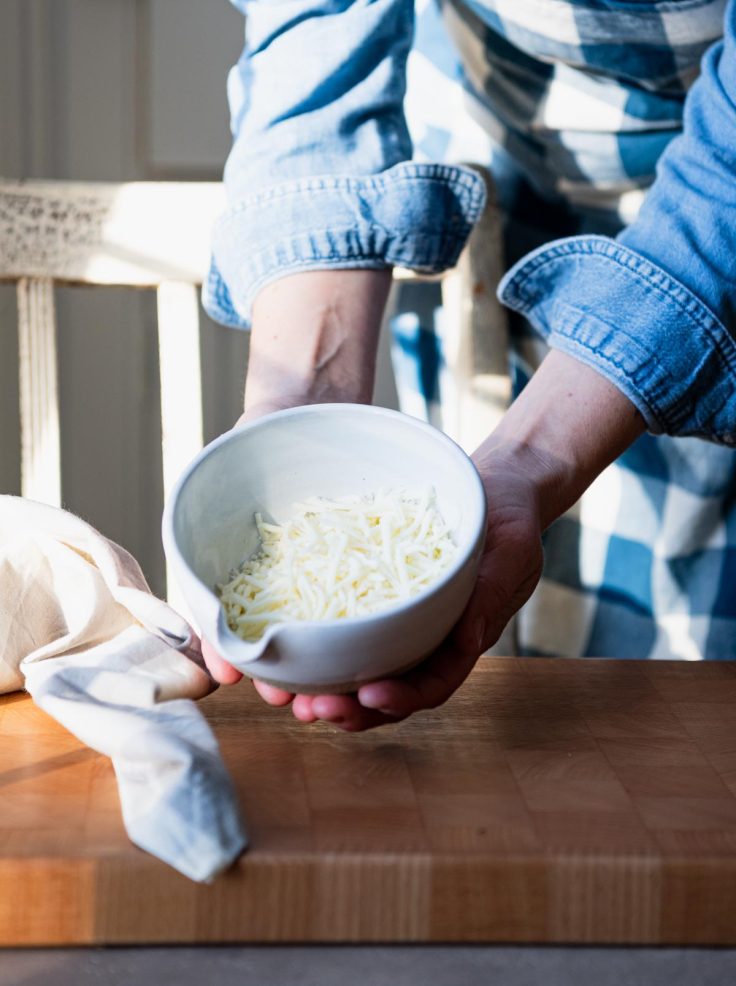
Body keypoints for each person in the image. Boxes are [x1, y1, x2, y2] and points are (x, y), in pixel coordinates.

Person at [200, 0, 736, 731]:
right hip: (496, 130)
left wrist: (534, 455)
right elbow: (317, 27)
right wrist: (305, 391)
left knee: (679, 694)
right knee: (530, 670)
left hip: (715, 213)